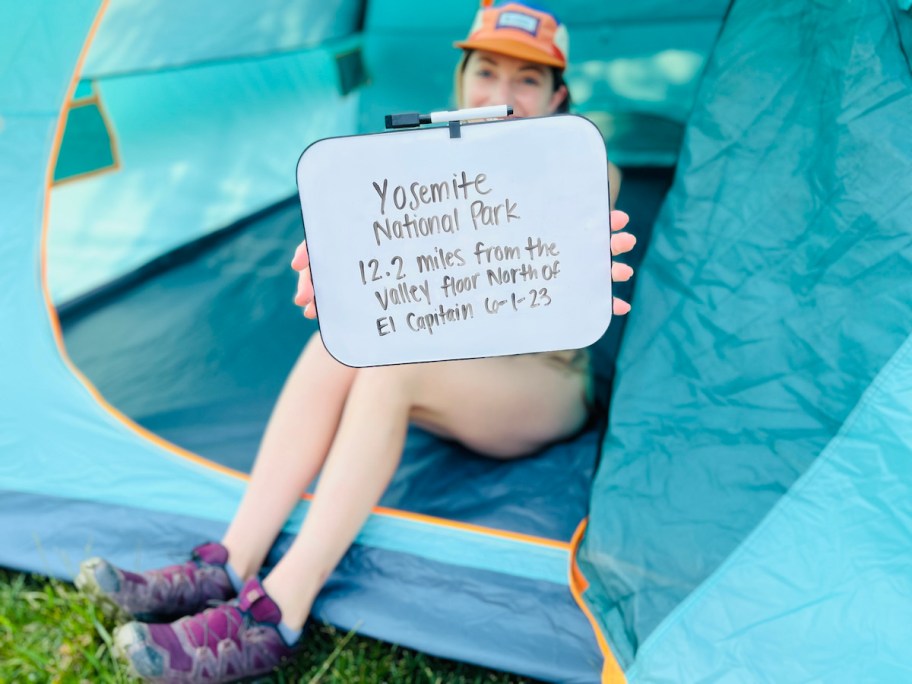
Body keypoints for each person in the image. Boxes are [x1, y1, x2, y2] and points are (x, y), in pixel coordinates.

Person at [75, 3, 636, 682]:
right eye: (487, 72)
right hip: (455, 361)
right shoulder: (417, 160)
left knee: (389, 368)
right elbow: (397, 281)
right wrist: (349, 280)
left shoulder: (583, 164)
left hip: (540, 382)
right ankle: (228, 560)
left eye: (527, 81)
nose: (502, 96)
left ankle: (279, 611)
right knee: (343, 344)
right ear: (461, 82)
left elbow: (536, 245)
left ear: (558, 100)